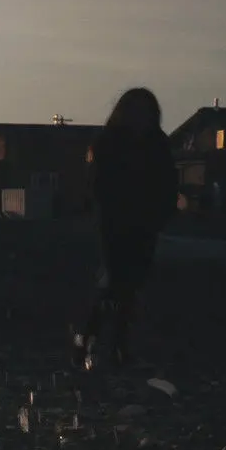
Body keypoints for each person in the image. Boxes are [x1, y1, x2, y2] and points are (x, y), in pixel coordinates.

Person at [72, 87, 177, 371]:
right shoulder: (108, 143)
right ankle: (102, 342)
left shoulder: (156, 144)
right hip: (115, 222)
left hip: (144, 223)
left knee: (127, 285)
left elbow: (168, 183)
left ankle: (100, 341)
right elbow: (99, 185)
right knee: (117, 282)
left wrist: (160, 214)